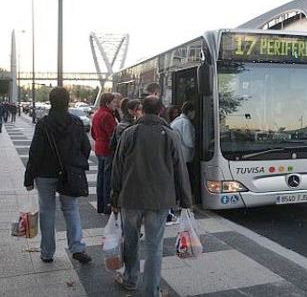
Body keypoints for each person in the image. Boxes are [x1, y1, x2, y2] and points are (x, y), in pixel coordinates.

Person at [111, 96, 192, 295]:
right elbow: (180, 169)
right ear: (161, 110)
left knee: (130, 242)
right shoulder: (170, 135)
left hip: (130, 197)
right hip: (160, 200)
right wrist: (186, 200)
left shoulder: (129, 133)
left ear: (142, 110)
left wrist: (115, 197)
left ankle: (130, 279)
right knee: (154, 247)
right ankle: (152, 291)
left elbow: (117, 168)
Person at [24, 87, 92, 264]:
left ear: (51, 101)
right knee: (71, 209)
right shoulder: (76, 122)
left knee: (47, 211)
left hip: (45, 174)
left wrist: (29, 177)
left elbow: (35, 152)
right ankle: (77, 247)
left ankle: (47, 252)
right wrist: (76, 165)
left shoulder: (44, 123)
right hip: (69, 173)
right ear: (68, 101)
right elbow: (86, 148)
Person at [91, 93, 118, 214]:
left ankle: (101, 204)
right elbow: (113, 135)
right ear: (107, 103)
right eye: (113, 102)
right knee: (107, 179)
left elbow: (92, 133)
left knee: (101, 177)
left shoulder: (97, 114)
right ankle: (107, 205)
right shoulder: (107, 116)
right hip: (108, 149)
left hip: (99, 148)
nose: (115, 104)